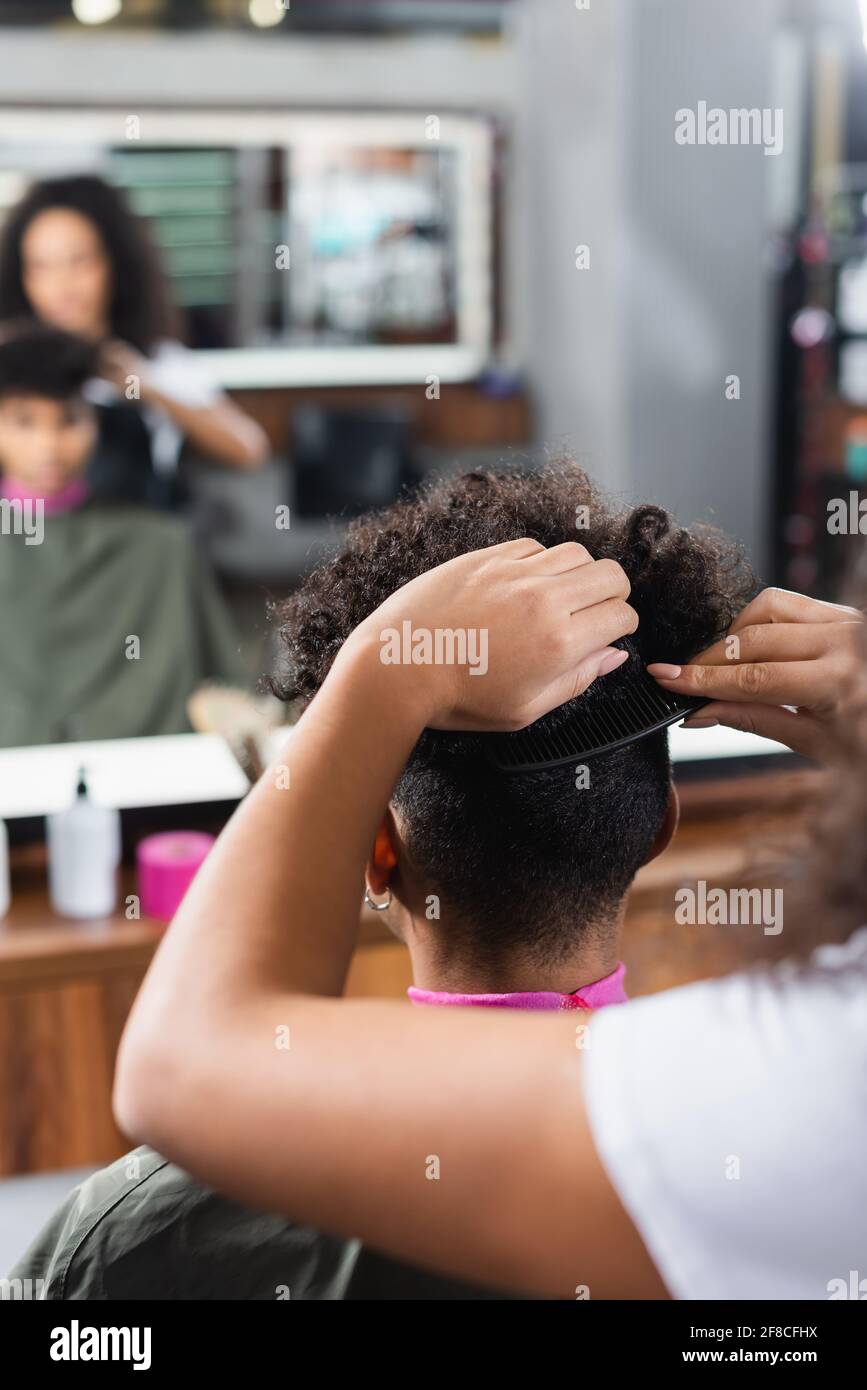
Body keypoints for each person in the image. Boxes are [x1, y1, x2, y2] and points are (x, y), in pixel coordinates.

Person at [8, 464, 756, 1299]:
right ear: (660, 826)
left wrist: (387, 673)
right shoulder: (771, 1165)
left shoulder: (135, 1239)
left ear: (376, 854)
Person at [0, 322, 247, 747]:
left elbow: (228, 689)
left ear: (96, 422)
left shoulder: (162, 546)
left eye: (69, 420)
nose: (49, 446)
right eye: (24, 422)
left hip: (140, 781)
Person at [0, 174, 268, 506]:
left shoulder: (154, 361)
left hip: (136, 551)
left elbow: (249, 449)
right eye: (41, 266)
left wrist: (144, 386)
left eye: (79, 261)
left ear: (115, 262)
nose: (62, 285)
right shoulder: (9, 361)